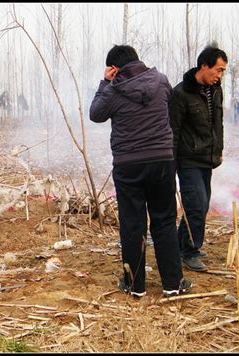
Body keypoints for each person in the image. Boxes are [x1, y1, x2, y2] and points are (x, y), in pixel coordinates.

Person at [90, 45, 191, 298]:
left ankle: (135, 286)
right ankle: (172, 284)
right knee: (165, 221)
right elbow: (166, 109)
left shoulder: (113, 90)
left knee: (133, 224)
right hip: (161, 160)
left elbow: (95, 114)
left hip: (128, 165)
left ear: (114, 68)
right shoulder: (162, 81)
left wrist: (105, 82)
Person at [169, 46, 228, 271]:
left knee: (201, 207)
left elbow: (218, 122)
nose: (220, 75)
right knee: (196, 205)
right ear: (204, 66)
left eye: (223, 71)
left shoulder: (216, 91)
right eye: (218, 70)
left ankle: (180, 243)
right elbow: (172, 130)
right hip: (188, 159)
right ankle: (190, 251)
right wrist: (171, 164)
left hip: (207, 157)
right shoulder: (181, 93)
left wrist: (218, 148)